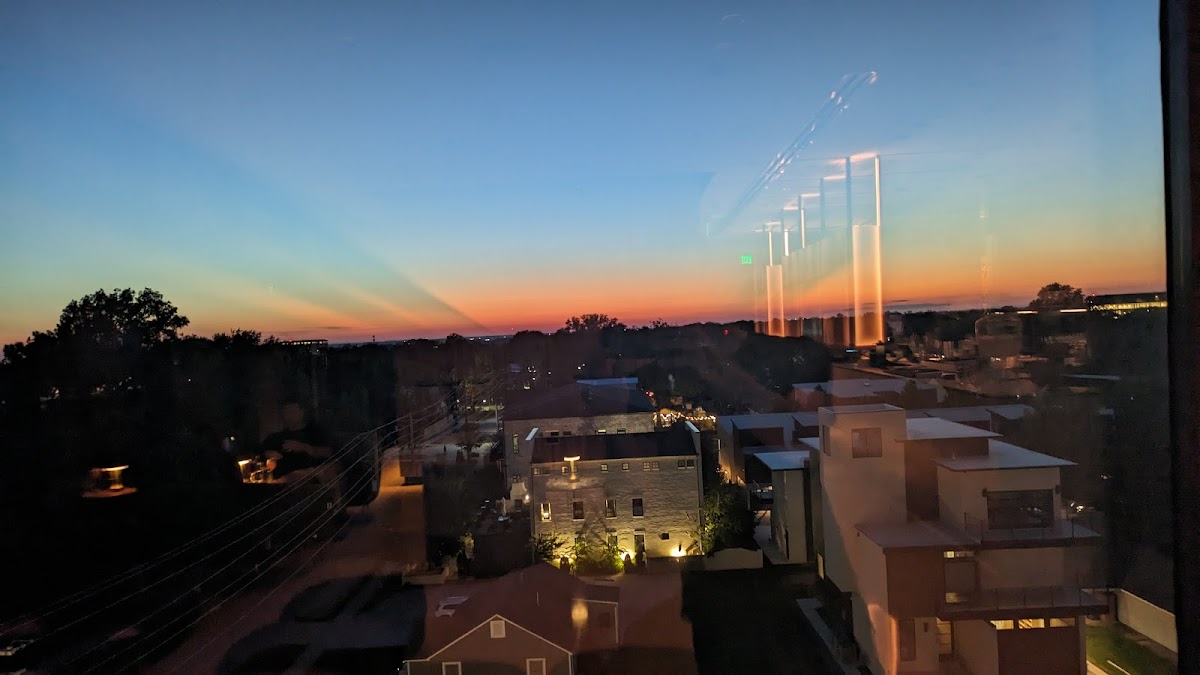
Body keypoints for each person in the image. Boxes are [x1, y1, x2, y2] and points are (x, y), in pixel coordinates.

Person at [259, 399, 343, 509]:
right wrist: (268, 454)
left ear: (302, 412)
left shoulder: (315, 431)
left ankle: (336, 511)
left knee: (329, 471)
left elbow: (329, 452)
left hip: (317, 470)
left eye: (292, 411)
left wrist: (303, 447)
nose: (288, 415)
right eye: (286, 412)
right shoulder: (277, 437)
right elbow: (260, 453)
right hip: (287, 475)